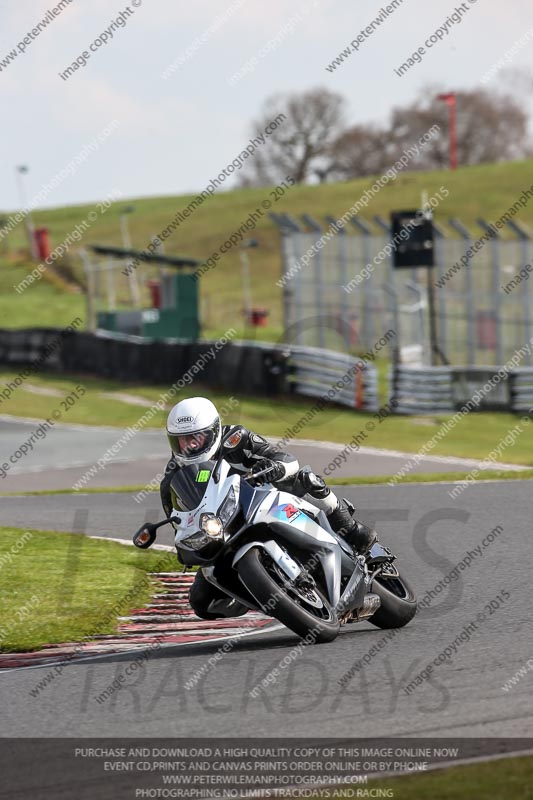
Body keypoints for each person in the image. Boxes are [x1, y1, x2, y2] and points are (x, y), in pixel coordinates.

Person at [160, 397, 376, 619]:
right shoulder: (171, 479)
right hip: (223, 530)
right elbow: (180, 524)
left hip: (266, 499)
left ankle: (350, 529)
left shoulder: (234, 438)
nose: (189, 446)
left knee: (305, 478)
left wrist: (274, 467)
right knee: (201, 602)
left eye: (196, 438)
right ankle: (259, 594)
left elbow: (287, 459)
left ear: (214, 430)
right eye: (181, 441)